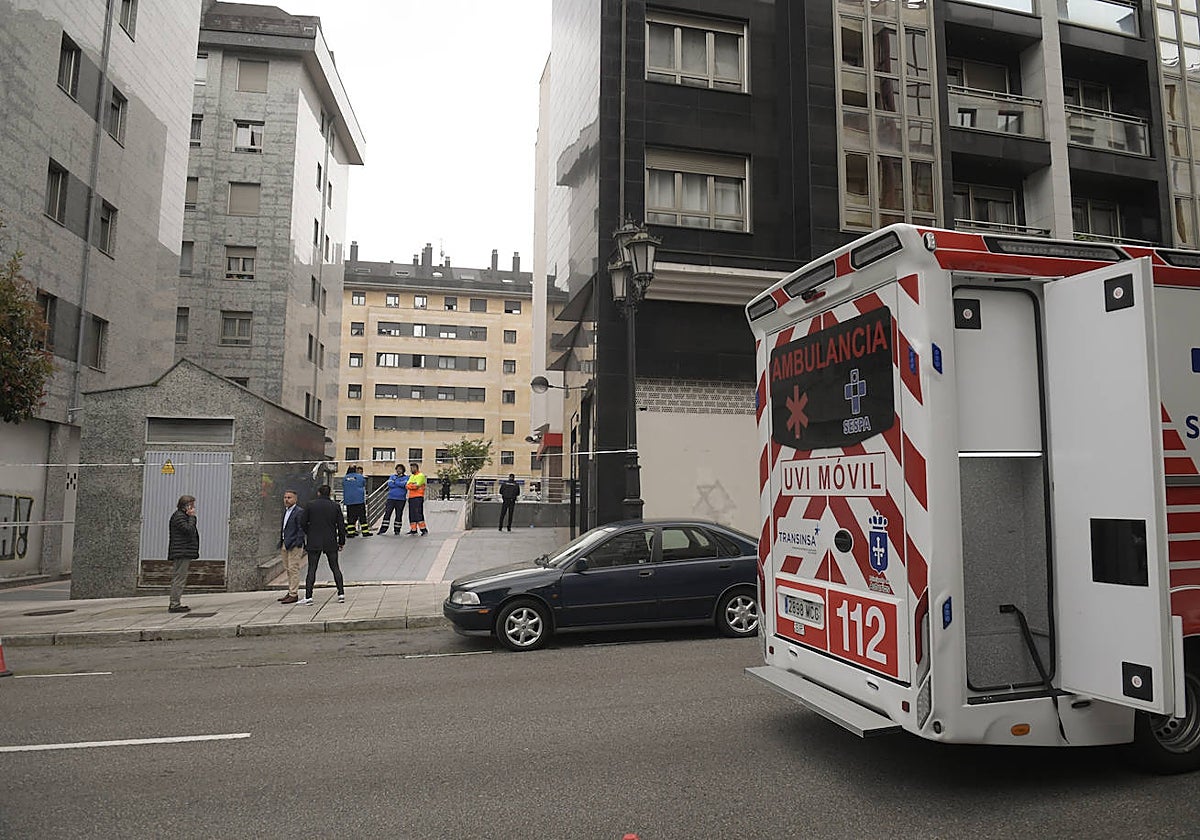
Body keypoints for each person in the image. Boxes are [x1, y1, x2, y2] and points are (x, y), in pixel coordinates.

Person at [299, 484, 347, 605]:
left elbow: (303, 522)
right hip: (330, 541)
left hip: (314, 540)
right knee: (335, 567)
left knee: (312, 568)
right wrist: (341, 542)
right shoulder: (335, 506)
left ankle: (308, 596)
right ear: (330, 494)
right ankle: (341, 593)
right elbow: (341, 526)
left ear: (318, 493)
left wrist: (309, 533)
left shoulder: (310, 505)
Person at [167, 495, 199, 613]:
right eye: (192, 505)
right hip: (181, 552)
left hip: (182, 551)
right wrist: (192, 517)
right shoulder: (180, 517)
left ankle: (175, 603)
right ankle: (175, 604)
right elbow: (188, 530)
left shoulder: (180, 516)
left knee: (179, 577)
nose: (194, 507)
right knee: (179, 578)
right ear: (187, 506)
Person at [277, 489, 307, 604]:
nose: (286, 500)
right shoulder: (285, 511)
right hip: (285, 542)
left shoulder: (299, 512)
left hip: (294, 544)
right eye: (285, 497)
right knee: (287, 568)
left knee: (293, 568)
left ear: (295, 499)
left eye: (289, 498)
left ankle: (293, 593)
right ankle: (290, 591)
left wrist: (298, 542)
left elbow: (301, 528)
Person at [377, 463, 408, 534]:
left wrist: (396, 482)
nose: (398, 470)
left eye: (400, 469)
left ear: (403, 470)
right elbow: (390, 484)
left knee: (399, 514)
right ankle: (383, 529)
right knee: (387, 513)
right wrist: (398, 483)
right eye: (397, 469)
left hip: (401, 499)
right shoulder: (392, 476)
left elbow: (404, 484)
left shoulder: (406, 478)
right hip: (391, 498)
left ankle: (397, 530)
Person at [342, 464, 369, 538]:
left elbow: (343, 485)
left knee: (350, 517)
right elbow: (363, 484)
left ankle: (351, 532)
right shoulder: (360, 477)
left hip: (349, 501)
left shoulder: (345, 478)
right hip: (359, 500)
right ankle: (365, 532)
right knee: (362, 516)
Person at [406, 462, 427, 535]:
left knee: (418, 513)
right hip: (411, 497)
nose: (411, 469)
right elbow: (407, 485)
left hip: (418, 497)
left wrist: (411, 485)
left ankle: (423, 529)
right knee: (412, 514)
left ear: (416, 468)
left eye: (412, 468)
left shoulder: (421, 476)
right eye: (410, 468)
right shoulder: (411, 476)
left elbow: (416, 486)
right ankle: (413, 529)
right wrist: (412, 485)